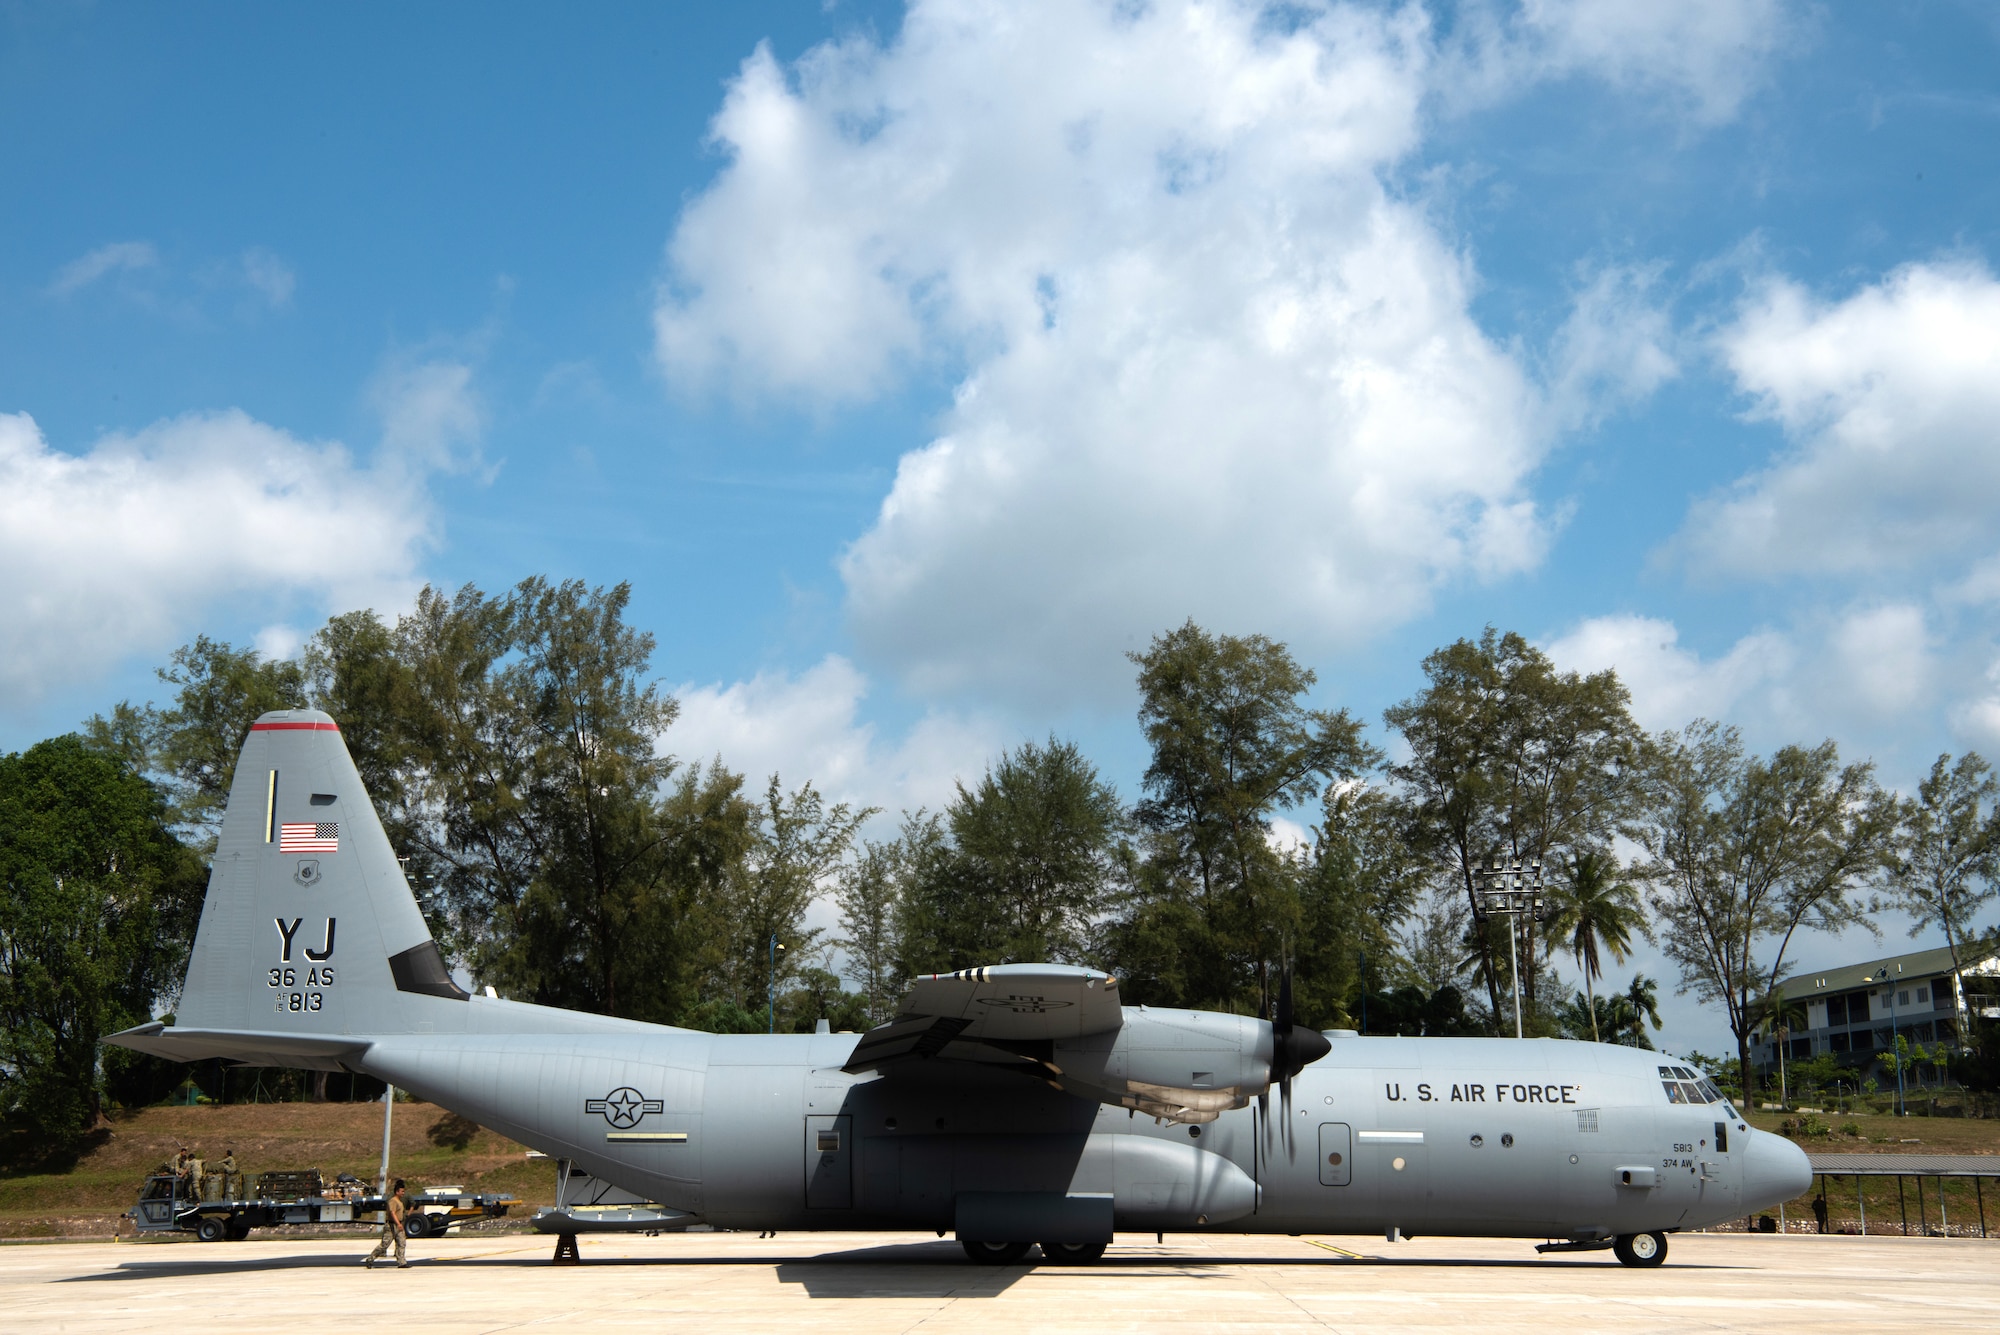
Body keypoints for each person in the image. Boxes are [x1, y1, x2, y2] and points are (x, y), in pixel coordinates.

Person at [365, 1180, 410, 1268]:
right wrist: (398, 1224)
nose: (403, 1193)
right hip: (392, 1225)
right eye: (402, 1191)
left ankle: (402, 1262)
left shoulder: (399, 1201)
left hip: (399, 1225)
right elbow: (392, 1213)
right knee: (384, 1245)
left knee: (401, 1243)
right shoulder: (393, 1201)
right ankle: (370, 1258)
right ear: (397, 1191)